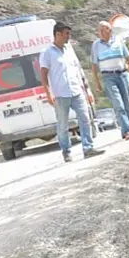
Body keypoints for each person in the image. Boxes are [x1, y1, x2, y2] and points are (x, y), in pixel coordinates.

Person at [39, 21, 105, 163]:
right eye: (66, 34)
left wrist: (87, 90)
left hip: (76, 91)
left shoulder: (69, 50)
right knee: (63, 125)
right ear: (57, 34)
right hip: (61, 94)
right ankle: (66, 151)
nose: (68, 37)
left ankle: (88, 148)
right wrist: (48, 93)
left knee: (85, 118)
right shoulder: (47, 53)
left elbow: (78, 69)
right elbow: (43, 75)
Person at [90, 21, 129, 140]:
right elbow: (94, 66)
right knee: (119, 104)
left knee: (127, 104)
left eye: (103, 29)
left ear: (109, 30)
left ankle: (127, 129)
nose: (100, 32)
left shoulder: (118, 41)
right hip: (108, 77)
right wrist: (97, 83)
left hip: (122, 75)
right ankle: (127, 131)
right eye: (99, 30)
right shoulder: (96, 45)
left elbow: (128, 59)